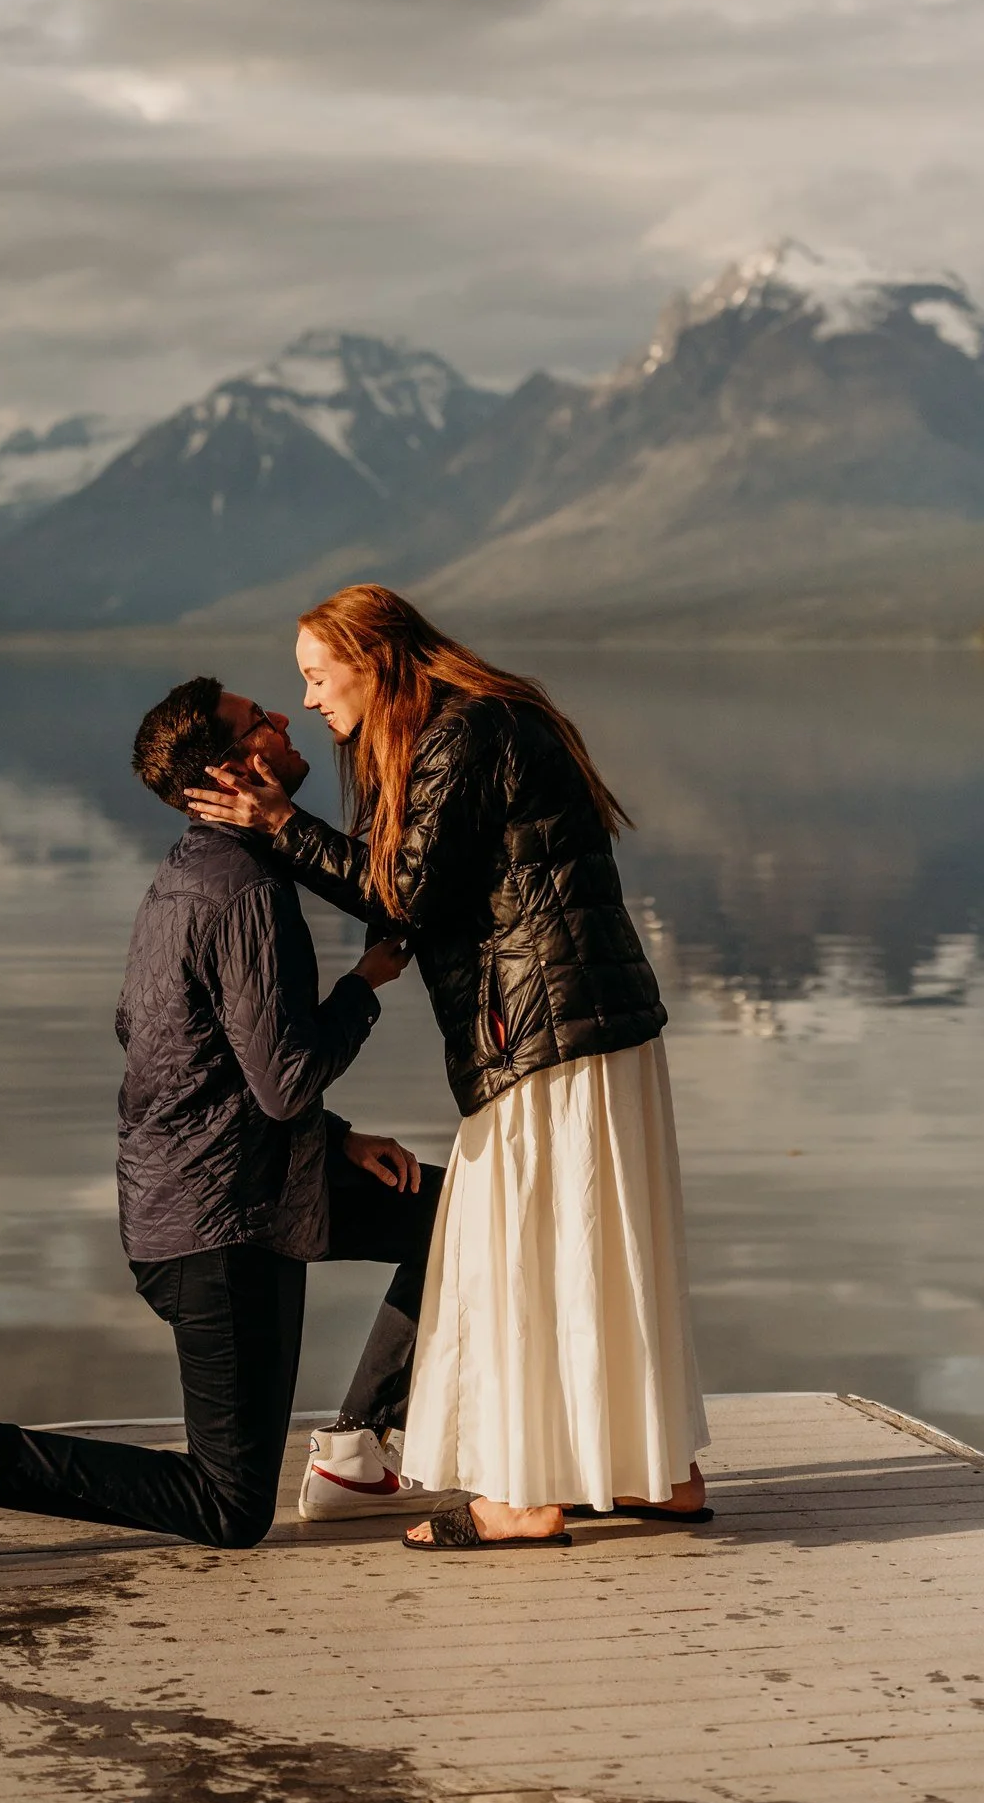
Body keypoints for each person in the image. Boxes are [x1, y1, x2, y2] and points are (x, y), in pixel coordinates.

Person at [184, 585, 709, 1553]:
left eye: (315, 675)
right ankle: (660, 1469)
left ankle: (519, 1495)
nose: (306, 702)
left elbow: (406, 893)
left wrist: (275, 827)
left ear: (370, 658)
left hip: (541, 1037)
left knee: (498, 1253)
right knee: (606, 1246)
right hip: (594, 1023)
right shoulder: (483, 722)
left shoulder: (460, 734)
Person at [0, 674, 446, 1566]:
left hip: (242, 1190)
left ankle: (354, 1453)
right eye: (257, 717)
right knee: (228, 1506)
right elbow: (284, 1078)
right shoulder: (245, 893)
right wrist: (362, 987)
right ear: (232, 770)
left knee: (453, 1220)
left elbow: (190, 1059)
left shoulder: (190, 876)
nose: (283, 714)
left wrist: (339, 1141)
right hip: (224, 1232)